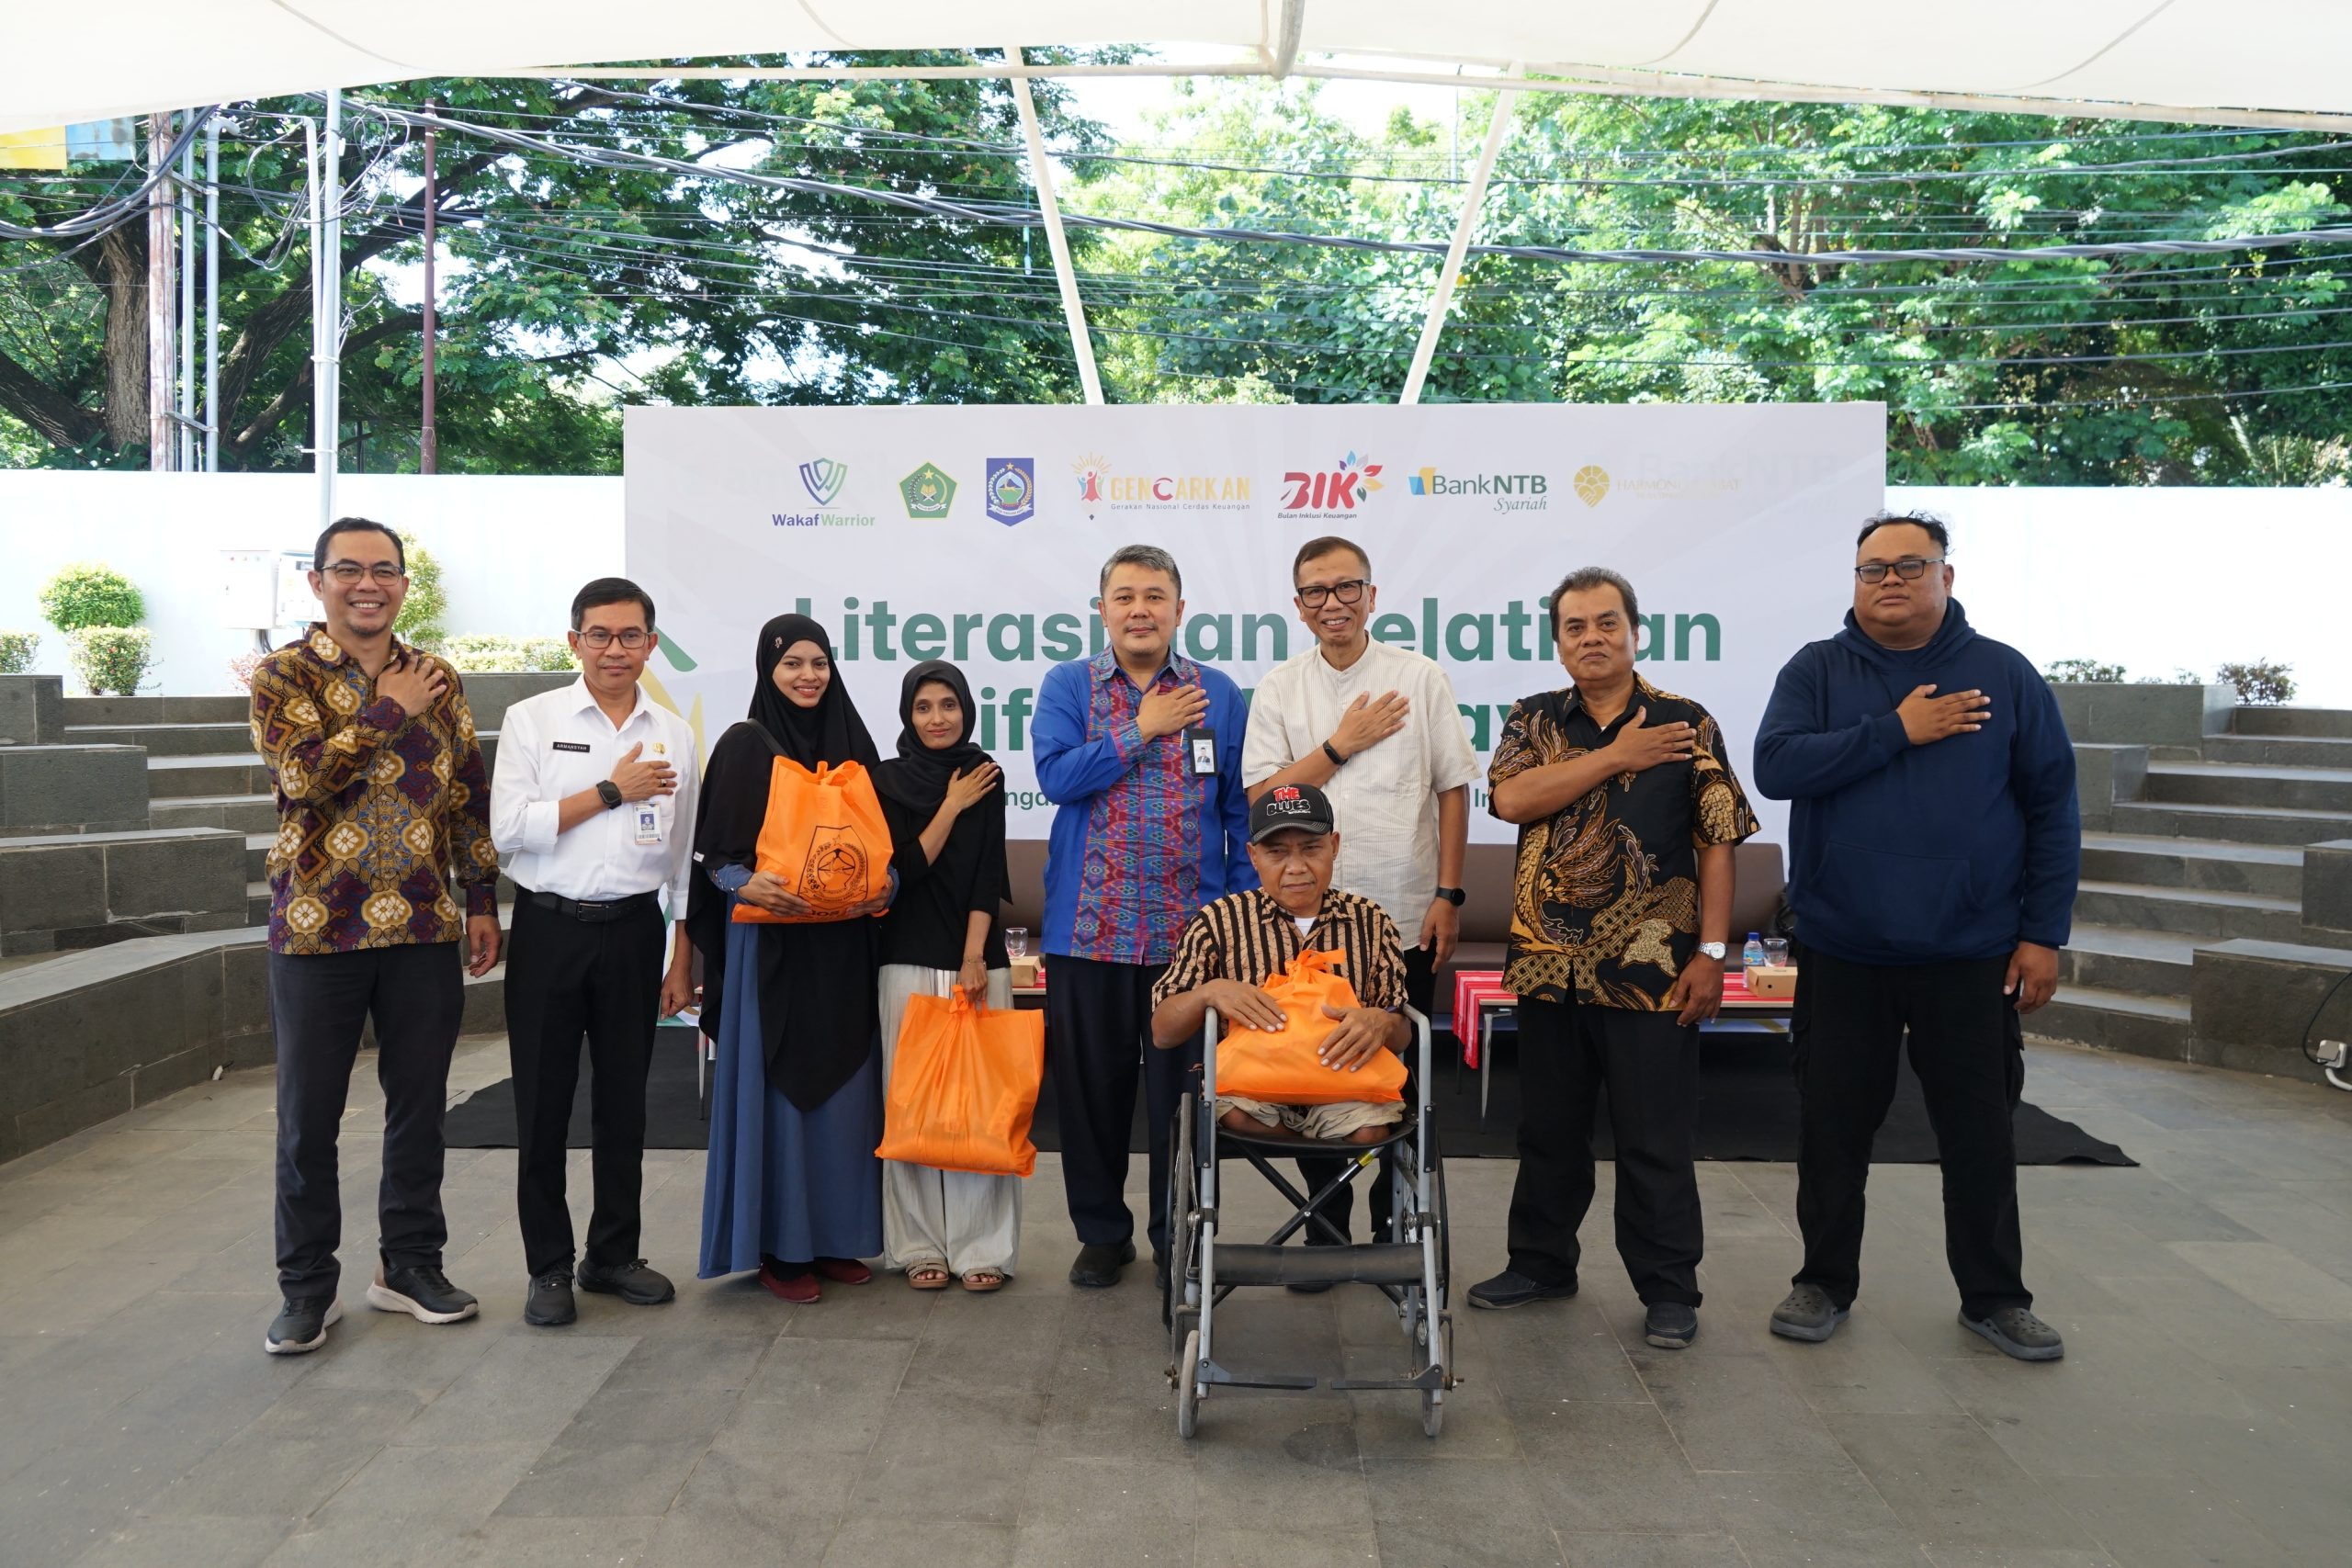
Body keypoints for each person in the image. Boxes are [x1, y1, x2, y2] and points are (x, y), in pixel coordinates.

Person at [1754, 512, 2078, 1362]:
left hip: (1969, 951)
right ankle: (1823, 1280)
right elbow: (1777, 767)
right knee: (1832, 1127)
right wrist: (1898, 729)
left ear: (1947, 575)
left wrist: (2042, 933)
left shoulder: (2004, 674)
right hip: (1844, 946)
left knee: (1980, 1132)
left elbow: (2053, 808)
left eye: (1909, 565)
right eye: (1873, 569)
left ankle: (1996, 1297)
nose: (1889, 581)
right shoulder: (1817, 669)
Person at [1466, 567, 1757, 1352]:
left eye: (1606, 622)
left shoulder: (1685, 720)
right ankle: (1539, 1264)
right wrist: (1616, 755)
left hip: (1651, 972)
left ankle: (1669, 1289)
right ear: (1557, 641)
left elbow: (1718, 840)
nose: (1591, 637)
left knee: (1655, 1136)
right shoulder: (1533, 718)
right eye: (1575, 626)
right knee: (1547, 1131)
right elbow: (1511, 800)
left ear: (1635, 632)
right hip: (1547, 967)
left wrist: (1713, 953)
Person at [250, 517, 502, 1355]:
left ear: (402, 583)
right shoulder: (283, 674)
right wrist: (391, 710)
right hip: (317, 928)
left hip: (424, 923)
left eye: (385, 569)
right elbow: (302, 778)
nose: (369, 584)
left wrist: (481, 897)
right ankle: (306, 1288)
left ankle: (409, 1265)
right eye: (350, 569)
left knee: (420, 1108)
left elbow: (466, 793)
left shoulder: (438, 677)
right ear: (318, 581)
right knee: (307, 1119)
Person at [1241, 534, 1479, 1277]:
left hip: (1405, 914)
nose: (1333, 602)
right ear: (1299, 605)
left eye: (1347, 587)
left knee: (1397, 1075)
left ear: (1371, 596)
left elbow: (1452, 790)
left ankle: (1393, 1221)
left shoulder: (1419, 677)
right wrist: (1340, 744)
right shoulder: (1281, 687)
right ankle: (1326, 1226)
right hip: (1311, 925)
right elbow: (1264, 797)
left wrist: (1447, 893)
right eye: (1316, 591)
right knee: (1315, 1070)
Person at [1034, 544, 1255, 1289]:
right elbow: (1057, 777)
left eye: (1155, 596)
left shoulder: (1217, 693)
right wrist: (1144, 727)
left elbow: (1239, 811)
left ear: (1179, 609)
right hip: (1086, 932)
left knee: (1180, 1101)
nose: (1140, 609)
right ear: (1101, 610)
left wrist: (1237, 924)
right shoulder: (1068, 684)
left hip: (1187, 940)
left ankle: (1176, 1235)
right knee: (1090, 1093)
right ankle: (1102, 1234)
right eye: (1124, 596)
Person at [489, 577, 699, 1328]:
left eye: (631, 635)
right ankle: (548, 1264)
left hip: (636, 931)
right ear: (574, 640)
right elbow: (508, 829)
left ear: (651, 643)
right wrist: (611, 791)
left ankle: (613, 1254)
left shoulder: (674, 733)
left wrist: (682, 956)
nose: (616, 649)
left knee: (624, 1103)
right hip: (550, 929)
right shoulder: (533, 719)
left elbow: (683, 855)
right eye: (600, 635)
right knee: (543, 1104)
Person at [687, 614, 894, 1304]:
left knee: (846, 1093)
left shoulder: (854, 744)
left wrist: (887, 886)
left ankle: (833, 1239)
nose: (809, 676)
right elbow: (712, 853)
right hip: (770, 947)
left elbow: (886, 844)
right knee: (776, 1094)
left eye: (819, 663)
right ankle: (778, 1246)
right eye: (792, 664)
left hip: (843, 948)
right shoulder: (745, 745)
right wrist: (742, 882)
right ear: (767, 670)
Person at [1149, 782, 1411, 1149]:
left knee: (1370, 1132)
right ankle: (1312, 1153)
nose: (1296, 868)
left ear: (1334, 846)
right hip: (1252, 1089)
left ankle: (1320, 1168)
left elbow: (1402, 1030)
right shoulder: (1218, 921)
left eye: (1311, 848)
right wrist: (1209, 993)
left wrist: (1382, 1022)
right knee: (1233, 1115)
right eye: (1277, 852)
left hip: (1345, 1082)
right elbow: (1162, 1033)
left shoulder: (1371, 921)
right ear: (1253, 856)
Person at [872, 660, 1020, 1292]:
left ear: (967, 709)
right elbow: (903, 870)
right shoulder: (885, 780)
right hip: (905, 957)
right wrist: (952, 804)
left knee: (984, 1109)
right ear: (908, 715)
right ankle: (917, 1245)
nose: (938, 718)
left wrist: (974, 956)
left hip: (976, 961)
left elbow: (988, 874)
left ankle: (982, 1247)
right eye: (924, 706)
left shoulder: (986, 772)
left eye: (949, 705)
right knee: (911, 1108)